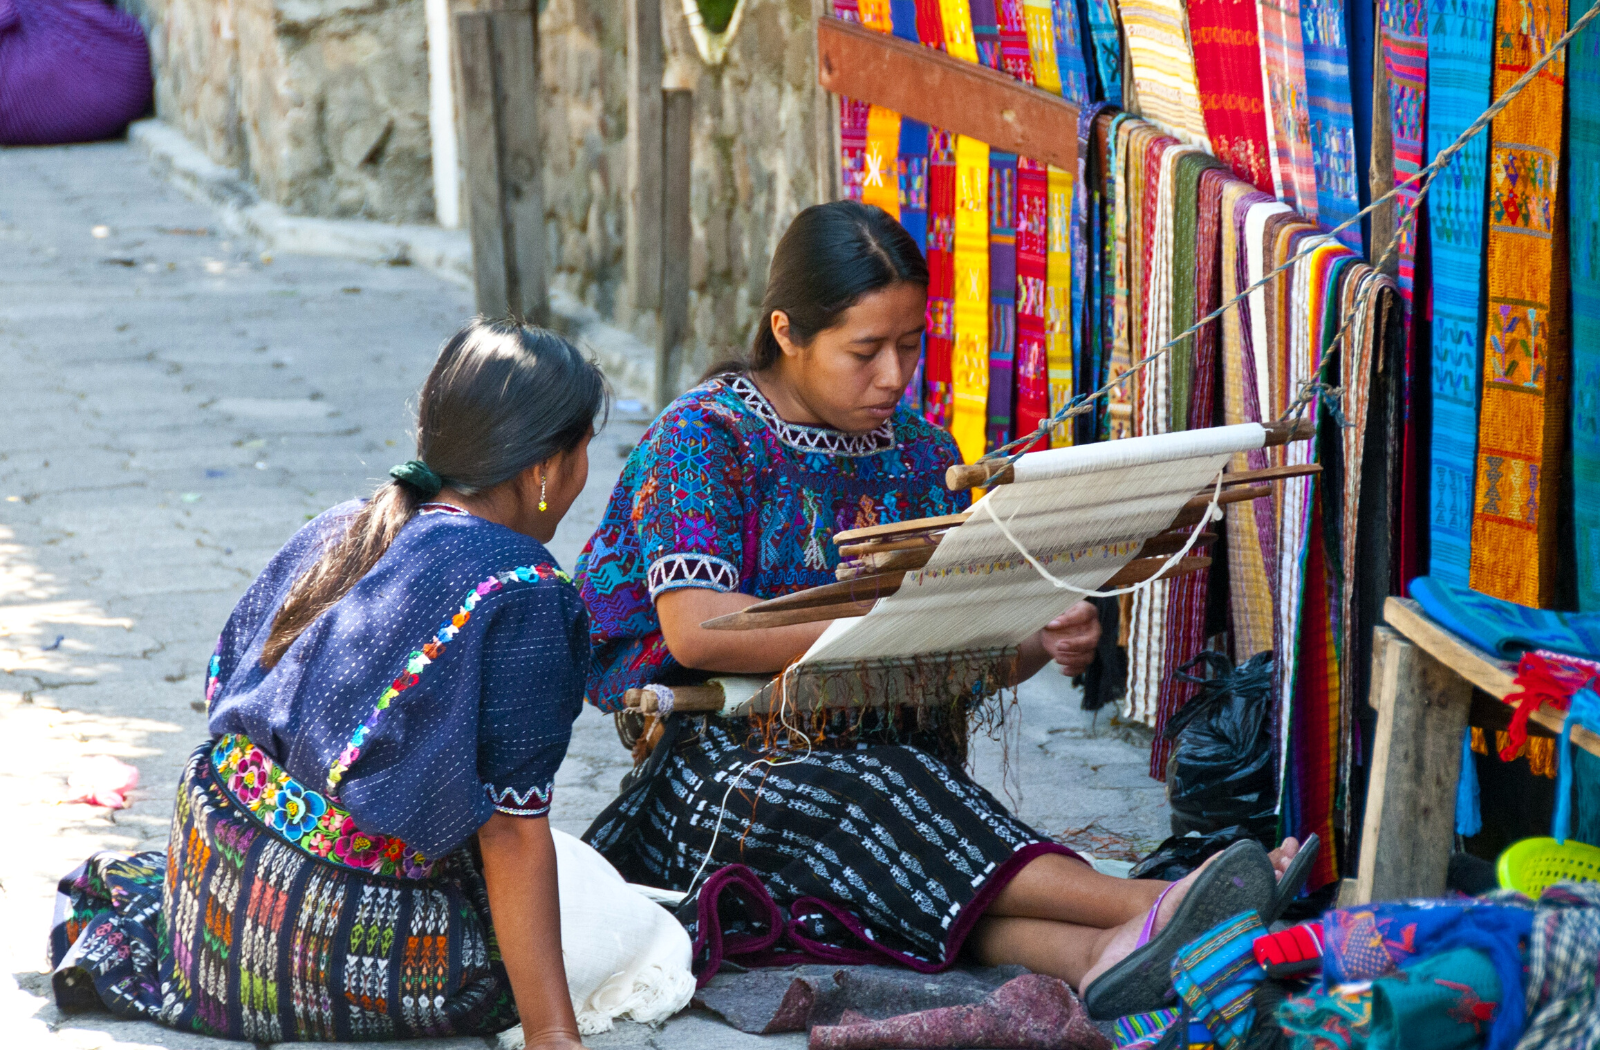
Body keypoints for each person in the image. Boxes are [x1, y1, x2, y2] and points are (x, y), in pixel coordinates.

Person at [577, 201, 1310, 1016]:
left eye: (908, 345)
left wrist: (1039, 633)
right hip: (721, 775)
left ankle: (1102, 953)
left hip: (897, 769)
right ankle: (1164, 905)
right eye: (865, 350)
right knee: (878, 797)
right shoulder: (705, 440)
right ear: (786, 331)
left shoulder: (924, 455)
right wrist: (883, 630)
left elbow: (965, 659)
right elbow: (698, 625)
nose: (893, 375)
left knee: (911, 827)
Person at [49, 320, 607, 1048]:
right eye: (584, 452)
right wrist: (552, 1032)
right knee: (590, 930)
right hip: (325, 933)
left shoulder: (346, 524)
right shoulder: (527, 589)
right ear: (542, 469)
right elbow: (509, 829)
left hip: (212, 892)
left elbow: (225, 682)